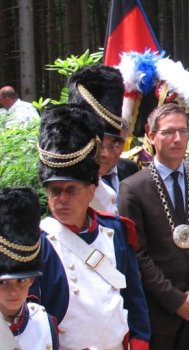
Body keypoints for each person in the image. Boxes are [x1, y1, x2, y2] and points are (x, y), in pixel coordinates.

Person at [33, 104, 150, 349]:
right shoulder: (39, 241)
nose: (62, 199)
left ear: (91, 190)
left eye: (71, 190)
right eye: (55, 191)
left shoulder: (116, 230)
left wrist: (140, 340)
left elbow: (133, 295)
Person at [120, 103, 189, 350]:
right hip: (159, 313)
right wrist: (176, 300)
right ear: (151, 135)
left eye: (183, 131)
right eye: (168, 132)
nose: (177, 139)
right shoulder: (133, 188)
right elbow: (137, 255)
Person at [67, 64, 139, 214]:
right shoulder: (66, 183)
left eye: (114, 144)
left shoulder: (130, 169)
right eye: (98, 145)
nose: (105, 153)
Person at [0, 187, 59, 349]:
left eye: (21, 281)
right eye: (3, 283)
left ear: (31, 280)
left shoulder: (44, 322)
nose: (13, 292)